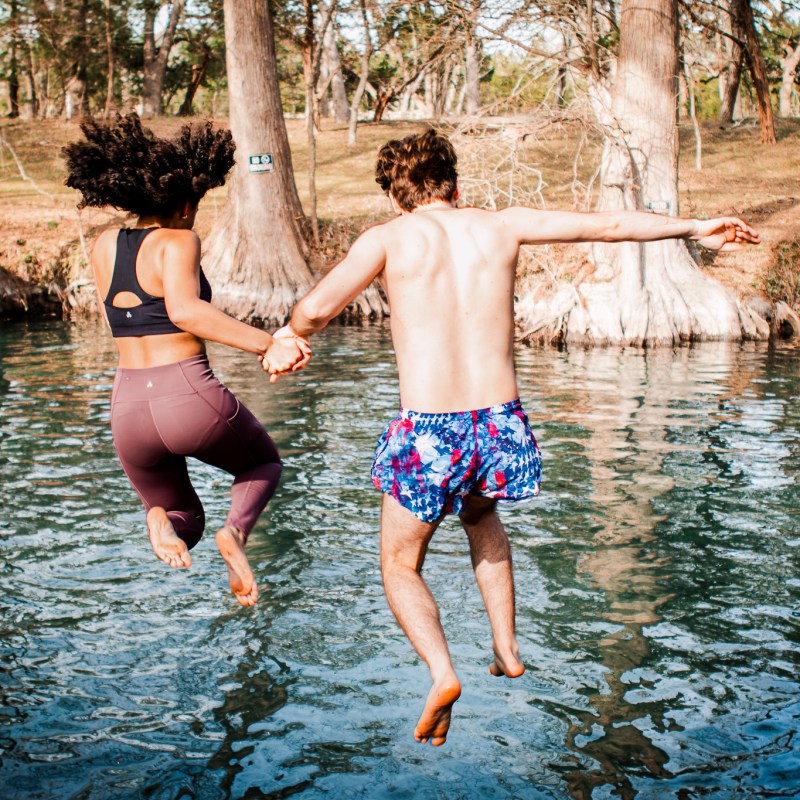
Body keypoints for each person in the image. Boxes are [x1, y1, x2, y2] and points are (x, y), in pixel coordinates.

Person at [267, 129, 760, 745]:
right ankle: (506, 645)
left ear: (394, 196)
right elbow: (609, 227)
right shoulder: (502, 225)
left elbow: (317, 310)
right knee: (481, 519)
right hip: (501, 423)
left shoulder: (387, 238)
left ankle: (442, 672)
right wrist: (695, 227)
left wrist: (290, 333)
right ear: (454, 184)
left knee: (399, 563)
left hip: (430, 427)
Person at [64, 113, 306, 607]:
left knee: (183, 519)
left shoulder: (104, 244)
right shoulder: (179, 240)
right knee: (262, 462)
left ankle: (158, 519)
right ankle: (235, 534)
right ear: (183, 201)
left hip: (128, 407)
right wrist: (268, 345)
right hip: (186, 394)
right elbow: (184, 310)